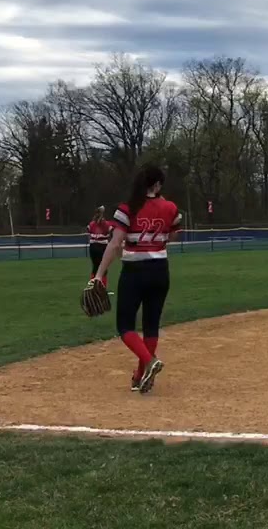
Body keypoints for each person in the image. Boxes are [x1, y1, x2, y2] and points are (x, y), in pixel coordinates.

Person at [91, 164, 184, 394]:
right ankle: (140, 375)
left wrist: (99, 274)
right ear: (158, 184)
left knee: (124, 325)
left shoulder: (127, 208)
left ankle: (149, 362)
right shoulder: (171, 207)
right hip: (160, 269)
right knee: (151, 325)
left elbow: (114, 244)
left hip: (134, 271)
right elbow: (172, 236)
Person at [86, 206, 111, 279]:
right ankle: (102, 287)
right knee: (103, 267)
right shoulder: (106, 224)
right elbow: (111, 232)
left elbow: (88, 232)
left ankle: (92, 286)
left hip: (93, 246)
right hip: (102, 247)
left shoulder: (91, 224)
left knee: (95, 267)